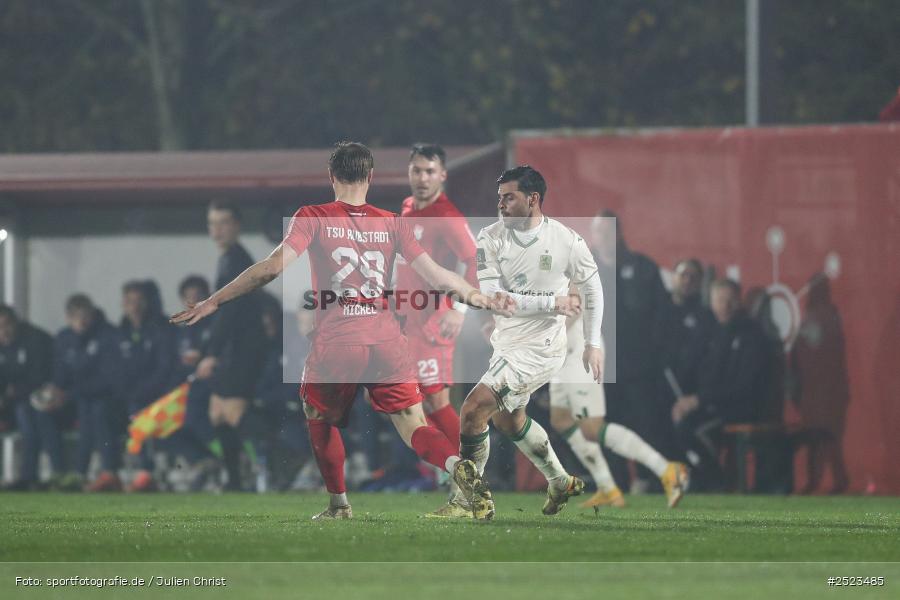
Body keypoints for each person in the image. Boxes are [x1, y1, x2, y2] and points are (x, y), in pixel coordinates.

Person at [171, 141, 511, 519]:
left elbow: (270, 268)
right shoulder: (392, 222)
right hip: (386, 340)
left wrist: (214, 301)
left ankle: (339, 503)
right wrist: (477, 298)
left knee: (317, 413)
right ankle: (454, 465)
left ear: (331, 176)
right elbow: (438, 275)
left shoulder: (313, 216)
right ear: (370, 177)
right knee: (412, 421)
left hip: (338, 340)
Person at [459, 165, 607, 521]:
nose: (501, 205)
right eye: (499, 198)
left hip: (542, 347)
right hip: (507, 343)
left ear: (533, 199)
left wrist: (592, 342)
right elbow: (495, 296)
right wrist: (551, 302)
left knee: (473, 409)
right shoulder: (490, 237)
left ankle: (470, 500)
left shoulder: (567, 241)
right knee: (509, 422)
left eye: (509, 197)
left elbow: (592, 287)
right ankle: (559, 480)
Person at [394, 143, 479, 516]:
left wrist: (460, 309)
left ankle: (469, 483)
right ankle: (459, 478)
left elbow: (476, 261)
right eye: (417, 170)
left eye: (430, 171)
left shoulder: (447, 216)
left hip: (432, 324)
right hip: (405, 323)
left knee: (433, 401)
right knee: (412, 402)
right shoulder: (408, 209)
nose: (422, 178)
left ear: (443, 175)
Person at [549, 308, 689, 510]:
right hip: (561, 350)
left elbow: (574, 302)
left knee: (592, 428)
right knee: (561, 419)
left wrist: (543, 336)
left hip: (581, 347)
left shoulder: (568, 274)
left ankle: (667, 470)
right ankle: (607, 488)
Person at [590, 211, 671, 492]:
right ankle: (616, 481)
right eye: (598, 232)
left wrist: (653, 355)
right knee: (606, 426)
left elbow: (662, 317)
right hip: (602, 367)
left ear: (619, 233)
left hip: (639, 368)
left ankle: (649, 479)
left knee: (645, 424)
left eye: (607, 231)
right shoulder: (585, 270)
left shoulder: (644, 268)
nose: (603, 238)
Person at [671, 278, 771, 490]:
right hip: (710, 406)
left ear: (738, 301)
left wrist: (698, 400)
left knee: (694, 431)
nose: (724, 306)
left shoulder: (750, 335)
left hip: (739, 408)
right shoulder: (708, 332)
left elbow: (744, 386)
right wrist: (685, 401)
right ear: (711, 302)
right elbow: (693, 372)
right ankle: (702, 480)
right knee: (675, 425)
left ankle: (715, 483)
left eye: (729, 300)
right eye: (719, 300)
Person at [195, 201, 268, 491]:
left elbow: (229, 311)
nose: (217, 230)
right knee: (217, 412)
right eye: (212, 223)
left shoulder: (237, 260)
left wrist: (211, 353)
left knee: (233, 413)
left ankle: (286, 454)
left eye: (223, 222)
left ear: (237, 225)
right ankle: (235, 480)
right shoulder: (229, 258)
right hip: (235, 349)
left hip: (243, 350)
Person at [52, 295, 124, 492]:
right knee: (36, 413)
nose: (81, 321)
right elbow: (60, 374)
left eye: (85, 316)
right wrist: (54, 393)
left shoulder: (107, 335)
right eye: (75, 316)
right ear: (68, 317)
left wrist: (69, 394)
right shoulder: (64, 338)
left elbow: (108, 379)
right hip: (73, 400)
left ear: (92, 315)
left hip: (106, 400)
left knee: (95, 410)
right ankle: (58, 473)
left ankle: (99, 472)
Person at [118, 280, 176, 492]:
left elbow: (164, 368)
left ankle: (146, 472)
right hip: (126, 396)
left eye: (139, 301)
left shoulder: (161, 329)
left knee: (138, 410)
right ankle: (108, 472)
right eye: (130, 301)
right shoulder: (120, 331)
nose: (134, 306)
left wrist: (140, 391)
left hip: (156, 395)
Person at [0, 306, 58, 490]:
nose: (4, 331)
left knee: (32, 415)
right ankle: (34, 475)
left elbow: (40, 376)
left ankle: (35, 475)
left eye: (6, 325)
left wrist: (13, 392)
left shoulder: (35, 340)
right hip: (10, 404)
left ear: (15, 323)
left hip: (37, 400)